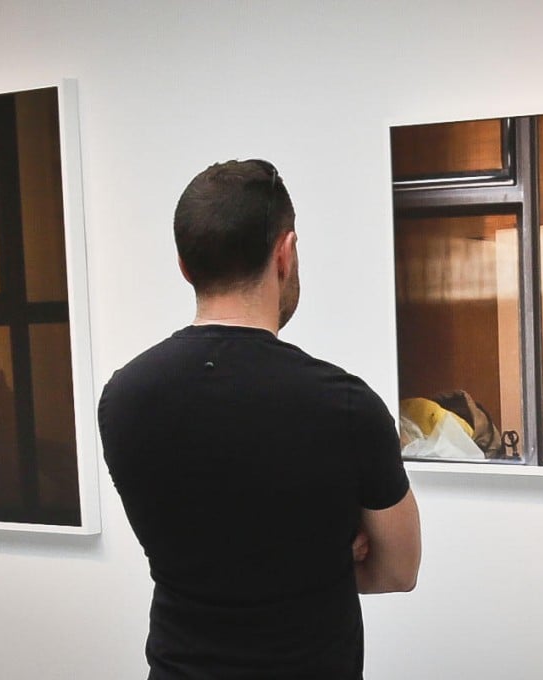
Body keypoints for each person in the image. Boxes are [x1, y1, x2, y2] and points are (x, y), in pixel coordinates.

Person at [98, 159, 421, 679]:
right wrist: (330, 559)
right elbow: (398, 569)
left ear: (184, 265)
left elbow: (194, 540)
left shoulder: (123, 397)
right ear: (285, 253)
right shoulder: (345, 405)